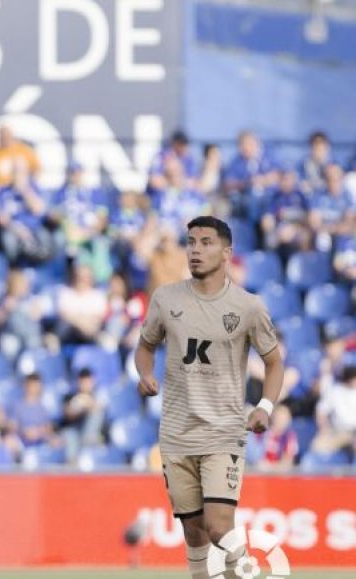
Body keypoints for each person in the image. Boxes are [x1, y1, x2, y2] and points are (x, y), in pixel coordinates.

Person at [134, 216, 284, 579]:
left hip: (223, 432)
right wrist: (145, 374)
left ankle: (251, 571)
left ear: (226, 252)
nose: (196, 250)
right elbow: (144, 346)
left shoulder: (248, 307)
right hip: (176, 433)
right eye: (191, 242)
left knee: (219, 526)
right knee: (195, 533)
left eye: (206, 242)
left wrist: (265, 406)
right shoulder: (166, 298)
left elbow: (274, 362)